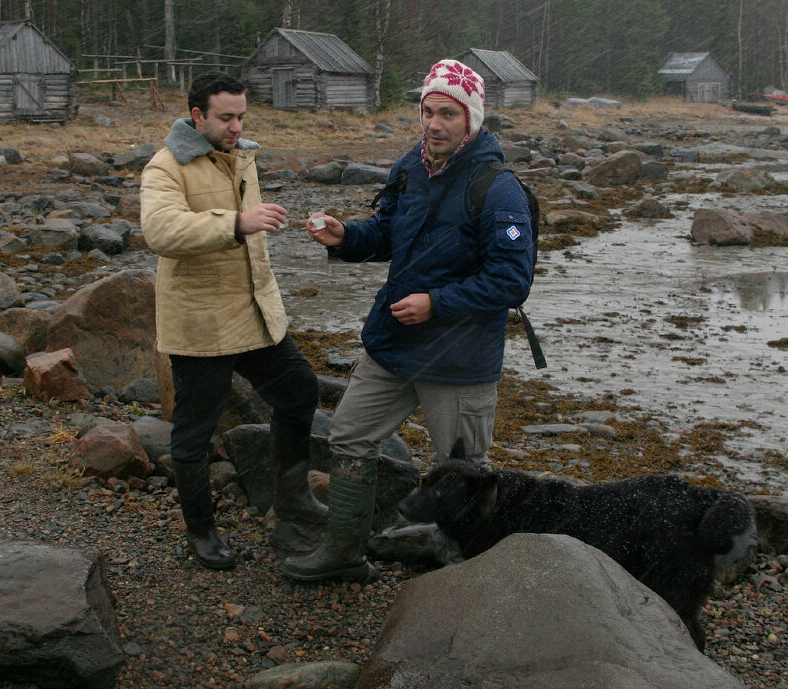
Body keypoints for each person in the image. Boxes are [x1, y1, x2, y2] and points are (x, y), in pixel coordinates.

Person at [281, 59, 535, 583]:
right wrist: (347, 237)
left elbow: (512, 282)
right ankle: (344, 553)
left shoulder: (499, 187)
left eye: (448, 113)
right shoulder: (410, 167)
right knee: (349, 435)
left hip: (460, 358)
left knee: (461, 471)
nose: (435, 123)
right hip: (395, 341)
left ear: (472, 120)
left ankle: (463, 577)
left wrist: (437, 303)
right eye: (428, 111)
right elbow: (387, 232)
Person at [140, 71, 326, 571]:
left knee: (300, 391)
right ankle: (201, 530)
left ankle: (293, 500)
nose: (236, 125)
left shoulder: (243, 156)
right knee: (193, 435)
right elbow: (159, 231)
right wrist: (237, 223)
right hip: (200, 324)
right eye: (226, 117)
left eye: (241, 115)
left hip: (254, 314)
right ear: (197, 115)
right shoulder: (166, 166)